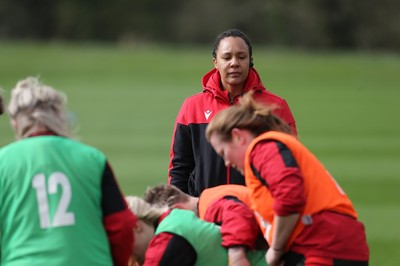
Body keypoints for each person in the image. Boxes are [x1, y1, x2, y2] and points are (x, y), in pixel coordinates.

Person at [205, 91, 370, 266]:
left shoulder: (262, 149)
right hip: (331, 244)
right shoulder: (268, 151)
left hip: (323, 246)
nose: (227, 163)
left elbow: (290, 198)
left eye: (223, 153)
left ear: (238, 136)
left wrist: (276, 250)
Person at [0, 77, 137, 266]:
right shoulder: (92, 158)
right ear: (58, 116)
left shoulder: (3, 161)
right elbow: (121, 224)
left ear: (15, 123)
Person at [168, 28, 297, 197]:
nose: (234, 63)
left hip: (257, 211)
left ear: (250, 60)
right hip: (205, 212)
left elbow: (290, 165)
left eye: (241, 57)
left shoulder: (275, 107)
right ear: (215, 62)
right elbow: (179, 168)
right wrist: (177, 209)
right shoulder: (192, 106)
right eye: (227, 57)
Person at [144, 184, 268, 265]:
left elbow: (238, 213)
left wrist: (236, 255)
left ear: (177, 210)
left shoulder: (209, 207)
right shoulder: (210, 198)